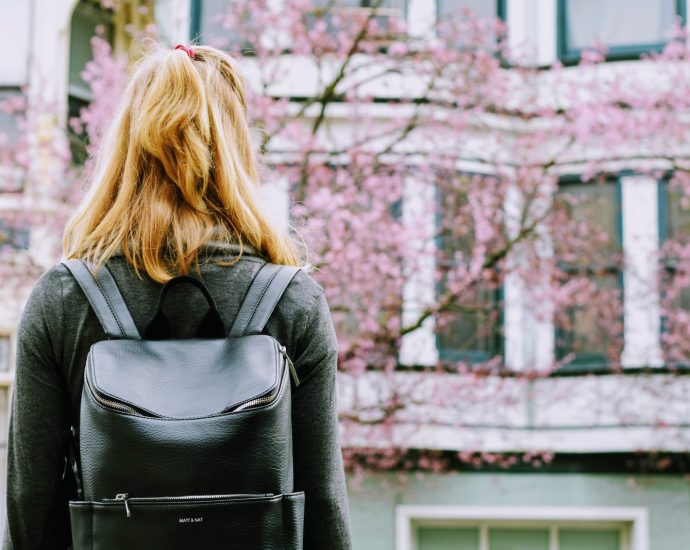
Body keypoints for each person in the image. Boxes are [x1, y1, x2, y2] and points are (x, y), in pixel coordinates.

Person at [2, 41, 353, 549]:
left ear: (124, 146)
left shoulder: (64, 300)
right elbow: (322, 508)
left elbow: (28, 511)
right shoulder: (292, 301)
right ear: (235, 149)